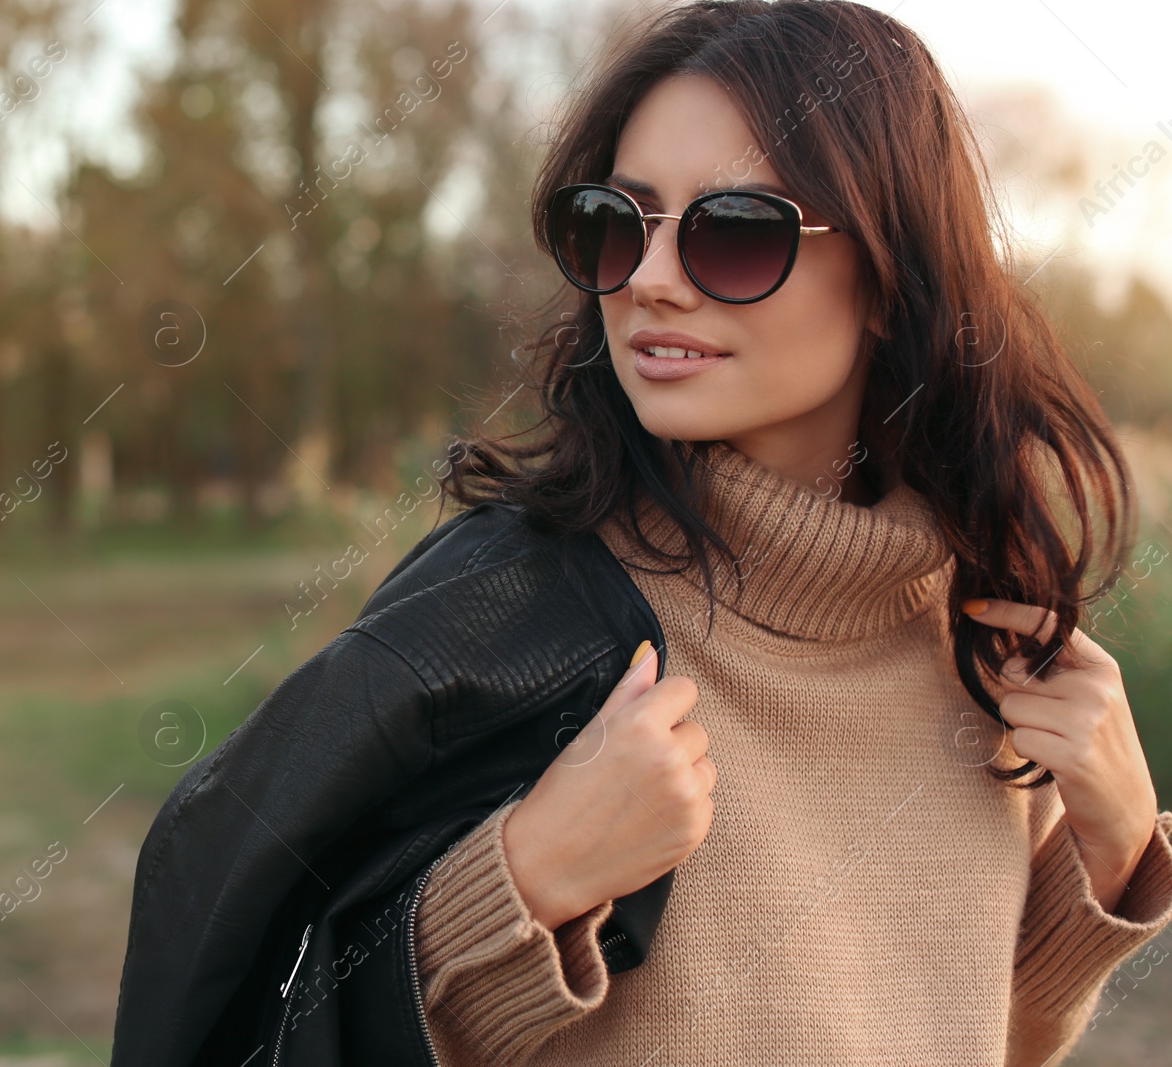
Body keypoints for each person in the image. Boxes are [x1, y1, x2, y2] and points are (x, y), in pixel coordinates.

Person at [408, 2, 1172, 1065]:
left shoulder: (985, 642)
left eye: (732, 229)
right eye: (617, 222)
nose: (649, 278)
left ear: (890, 276)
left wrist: (1115, 843)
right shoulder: (513, 604)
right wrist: (523, 881)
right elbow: (295, 1000)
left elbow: (986, 1037)